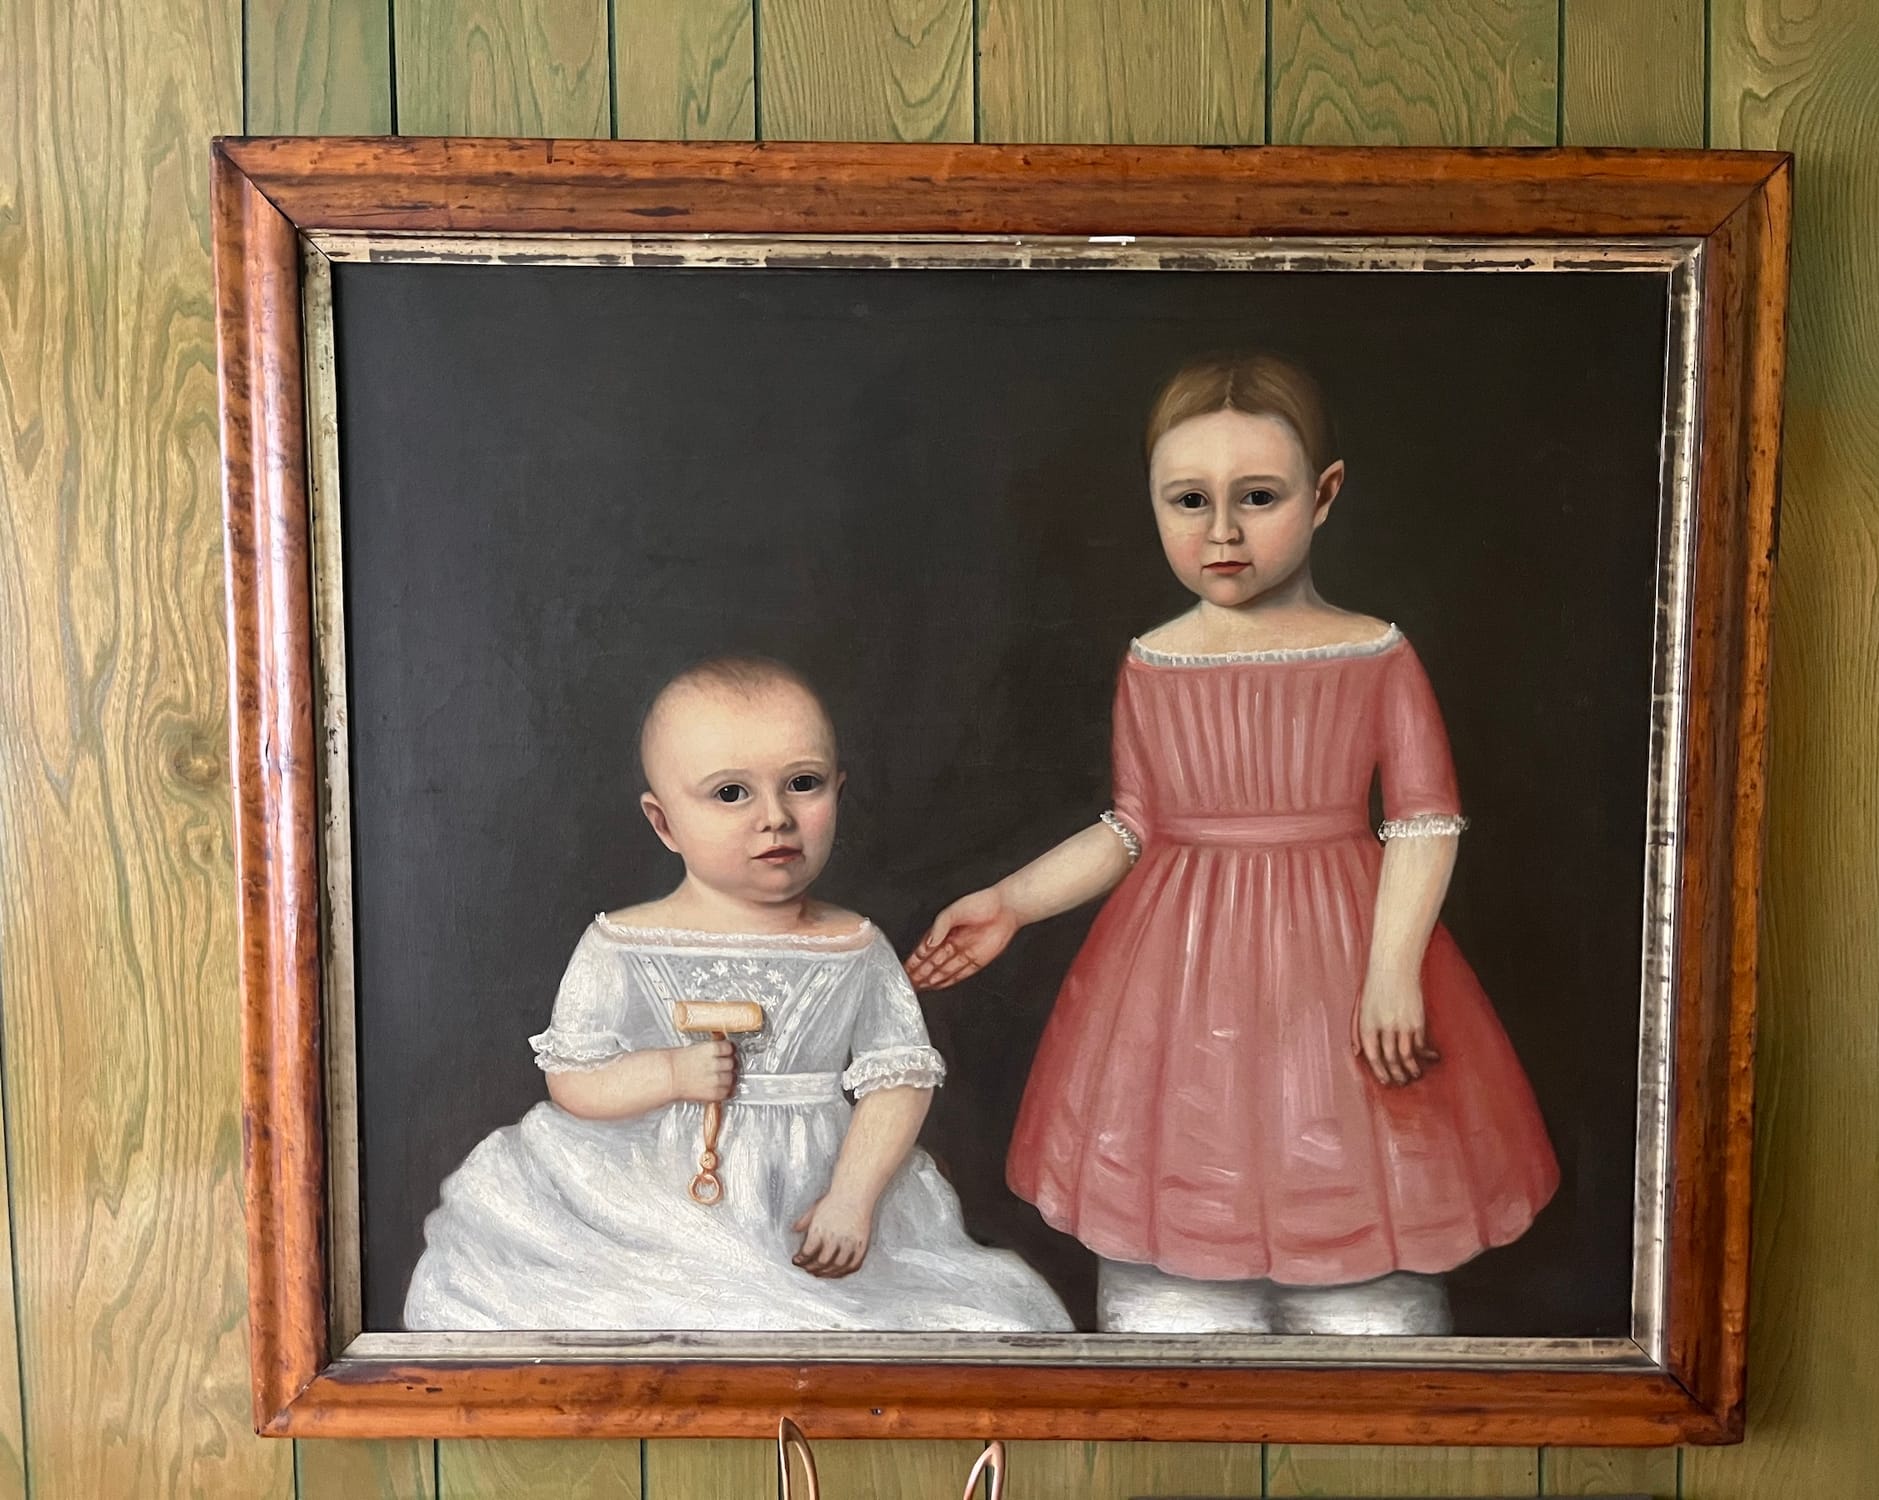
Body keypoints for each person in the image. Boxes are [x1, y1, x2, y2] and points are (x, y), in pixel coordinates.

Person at [907, 353, 1558, 1335]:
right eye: (1188, 501)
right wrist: (1012, 901)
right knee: (1172, 1255)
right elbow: (1133, 823)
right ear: (1152, 504)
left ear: (1323, 496)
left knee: (1370, 1259)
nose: (1221, 531)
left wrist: (1391, 973)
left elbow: (1423, 819)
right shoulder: (1151, 660)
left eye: (1256, 497)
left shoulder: (1376, 651)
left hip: (1343, 958)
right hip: (1174, 980)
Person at [404, 656, 1071, 1332]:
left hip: (812, 1193)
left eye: (803, 784)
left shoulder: (855, 946)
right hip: (647, 1203)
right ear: (664, 823)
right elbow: (573, 1080)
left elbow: (899, 1079)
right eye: (731, 794)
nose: (775, 818)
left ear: (839, 793)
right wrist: (669, 1074)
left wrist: (852, 1196)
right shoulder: (620, 943)